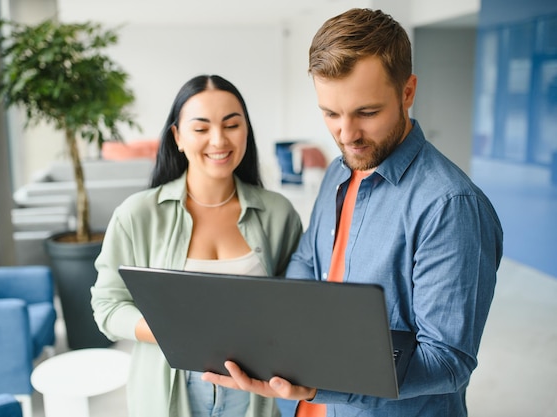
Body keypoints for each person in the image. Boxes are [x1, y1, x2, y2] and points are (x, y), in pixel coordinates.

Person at [202, 8, 504, 417]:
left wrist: (321, 382)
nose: (346, 134)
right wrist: (281, 343)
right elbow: (309, 260)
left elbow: (447, 362)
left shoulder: (451, 207)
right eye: (330, 113)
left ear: (408, 92)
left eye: (367, 113)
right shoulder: (339, 169)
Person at [91, 74, 303, 417]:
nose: (218, 140)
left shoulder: (279, 213)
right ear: (177, 136)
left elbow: (297, 305)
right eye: (201, 128)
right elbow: (107, 305)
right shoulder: (138, 214)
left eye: (231, 125)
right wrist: (177, 333)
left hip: (254, 393)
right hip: (169, 389)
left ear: (246, 131)